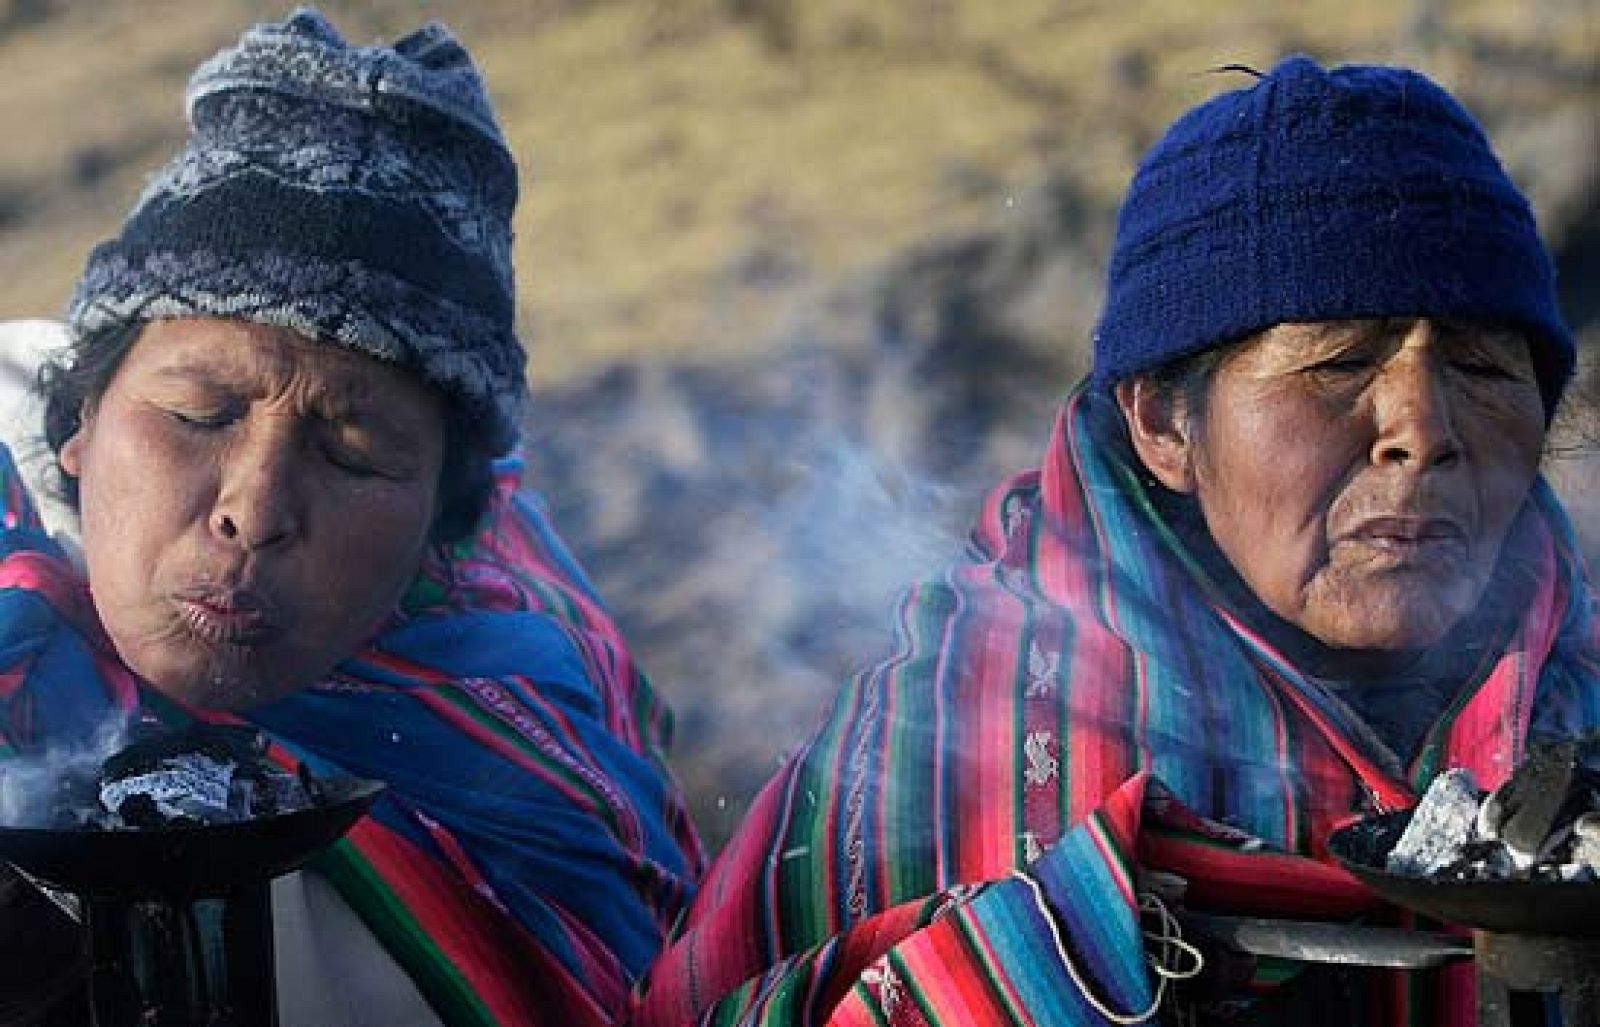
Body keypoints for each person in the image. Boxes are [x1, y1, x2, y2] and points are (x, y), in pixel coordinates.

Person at [631, 56, 1597, 1025]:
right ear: (1165, 425)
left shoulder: (1582, 703)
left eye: (1482, 368)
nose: (1422, 430)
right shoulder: (945, 752)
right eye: (1338, 362)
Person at [0, 9, 701, 1025]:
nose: (254, 510)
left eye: (354, 454)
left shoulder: (521, 768)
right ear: (79, 424)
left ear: (443, 521)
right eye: (199, 415)